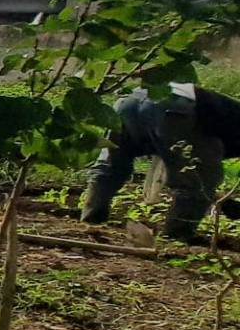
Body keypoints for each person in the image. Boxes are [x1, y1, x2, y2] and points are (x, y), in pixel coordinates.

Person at [81, 83, 240, 241]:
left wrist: (224, 202)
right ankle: (177, 237)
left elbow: (178, 165)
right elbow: (196, 176)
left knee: (111, 167)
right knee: (197, 182)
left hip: (130, 101)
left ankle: (91, 219)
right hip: (176, 109)